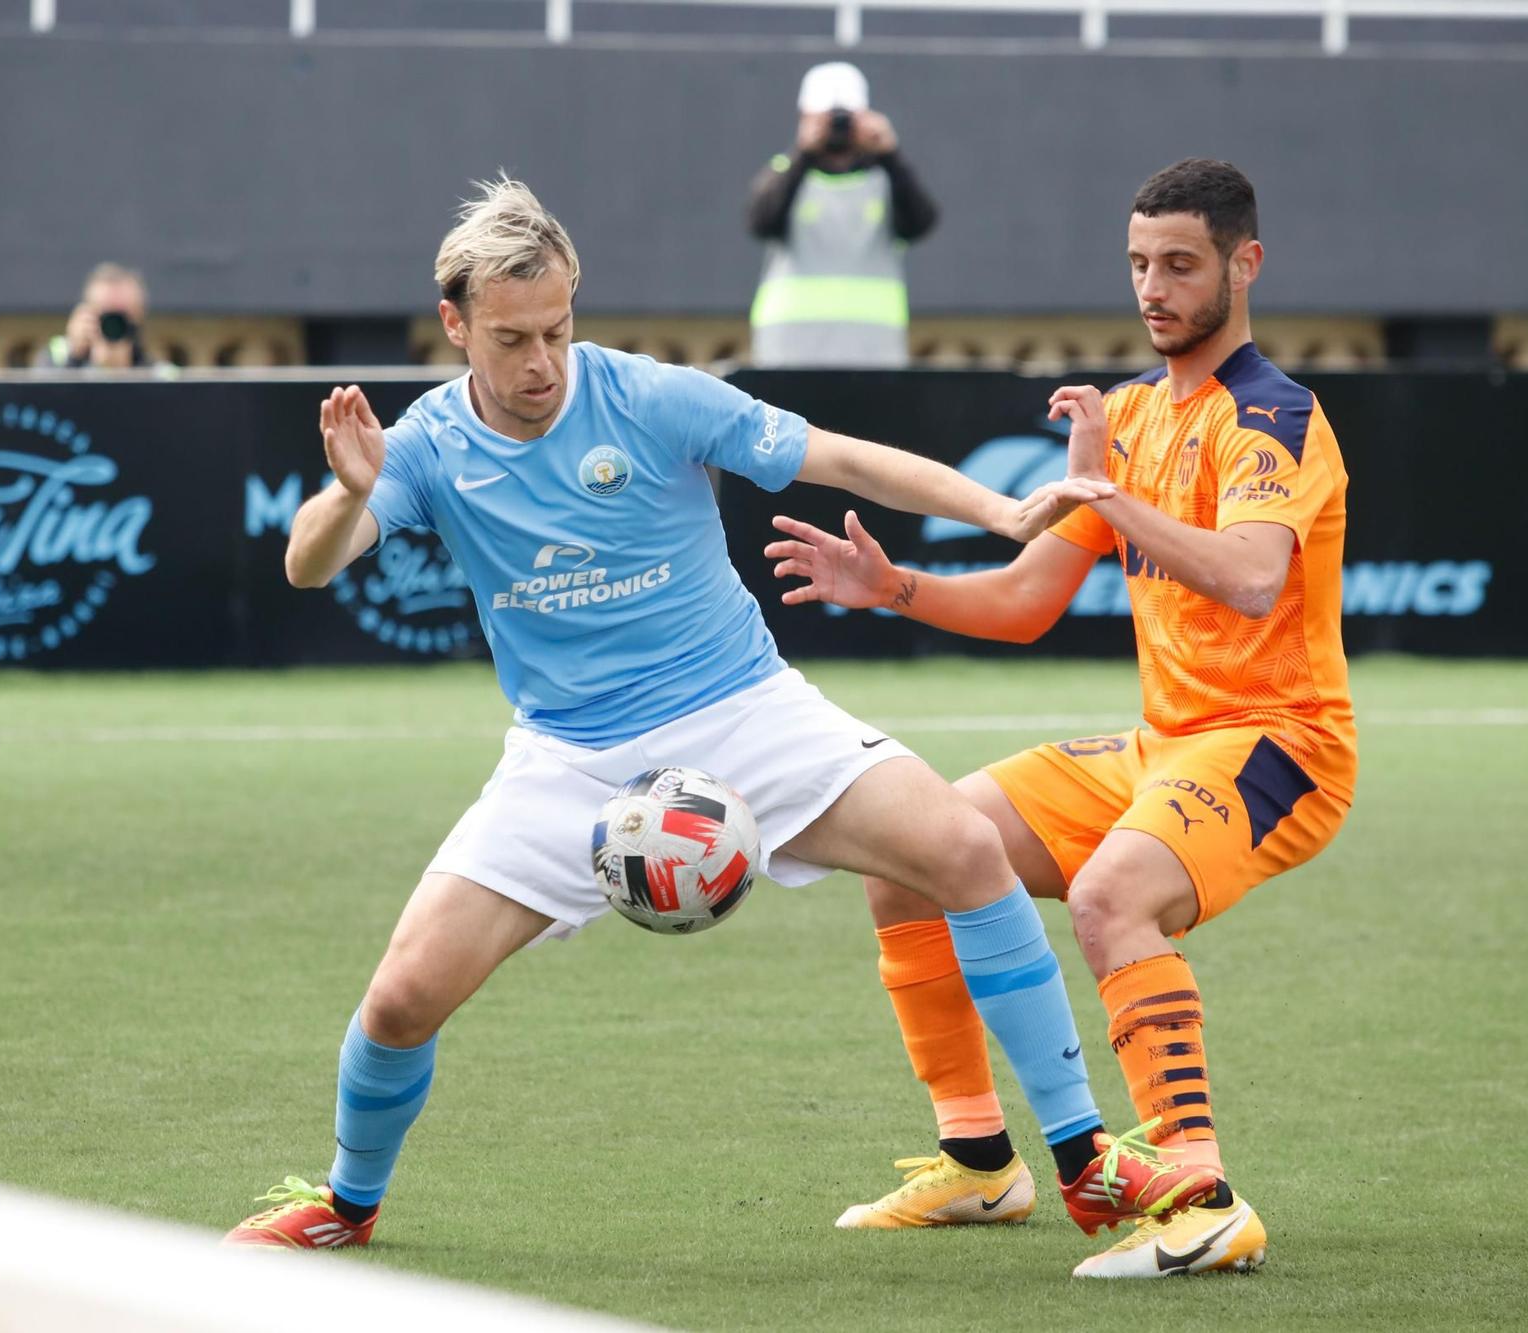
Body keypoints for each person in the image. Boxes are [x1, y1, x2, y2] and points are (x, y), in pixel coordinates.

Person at [221, 178, 1208, 1253]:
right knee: (402, 998)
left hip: (742, 713)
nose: (541, 361)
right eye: (511, 339)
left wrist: (1001, 510)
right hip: (566, 760)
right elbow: (307, 566)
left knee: (962, 848)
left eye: (556, 328)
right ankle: (346, 1203)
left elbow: (839, 457)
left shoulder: (649, 397)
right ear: (455, 325)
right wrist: (352, 493)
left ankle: (1081, 1160)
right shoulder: (423, 446)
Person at [767, 158, 1357, 1278]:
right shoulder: (1128, 414)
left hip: (1280, 745)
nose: (1153, 287)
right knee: (915, 845)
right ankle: (980, 1162)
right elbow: (1028, 598)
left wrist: (1107, 493)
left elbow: (1244, 576)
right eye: (1138, 264)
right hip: (1160, 745)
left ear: (1246, 265)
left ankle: (1198, 1198)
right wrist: (891, 587)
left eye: (1179, 265)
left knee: (1110, 896)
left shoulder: (1276, 417)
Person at [746, 62, 938, 369]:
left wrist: (890, 154)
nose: (836, 128)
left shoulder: (886, 177)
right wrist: (803, 154)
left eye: (844, 119)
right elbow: (760, 220)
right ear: (804, 117)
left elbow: (921, 221)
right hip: (788, 354)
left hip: (872, 354)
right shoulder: (787, 172)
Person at [35, 263, 165, 370]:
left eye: (121, 317)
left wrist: (127, 372)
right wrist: (74, 358)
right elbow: (45, 396)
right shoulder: (56, 357)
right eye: (106, 315)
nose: (113, 326)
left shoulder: (157, 371)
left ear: (138, 316)